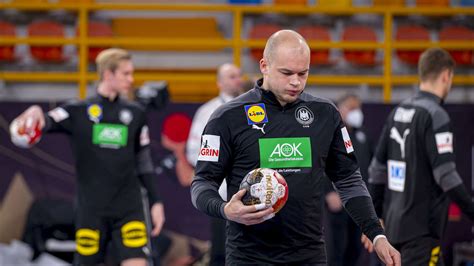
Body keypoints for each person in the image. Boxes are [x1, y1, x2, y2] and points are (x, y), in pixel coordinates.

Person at [190, 29, 400, 265]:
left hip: (309, 256)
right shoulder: (227, 117)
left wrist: (377, 233)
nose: (296, 81)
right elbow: (202, 183)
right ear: (264, 65)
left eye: (303, 73)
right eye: (287, 72)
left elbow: (349, 181)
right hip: (249, 257)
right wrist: (225, 209)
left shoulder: (325, 114)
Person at [10, 48, 165, 266]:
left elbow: (143, 162)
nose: (131, 79)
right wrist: (36, 112)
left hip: (129, 207)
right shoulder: (78, 111)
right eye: (126, 74)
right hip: (91, 208)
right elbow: (46, 121)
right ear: (108, 74)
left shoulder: (135, 113)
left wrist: (156, 202)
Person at [366, 47, 474, 265]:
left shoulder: (398, 111)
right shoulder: (436, 115)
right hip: (422, 232)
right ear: (446, 75)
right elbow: (447, 176)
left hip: (392, 233)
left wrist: (374, 219)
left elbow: (377, 171)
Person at [186, 63, 243, 266]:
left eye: (239, 76)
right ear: (219, 82)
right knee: (221, 249)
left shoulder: (254, 108)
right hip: (222, 192)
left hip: (251, 190)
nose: (238, 80)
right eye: (231, 76)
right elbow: (194, 150)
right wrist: (219, 168)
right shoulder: (208, 111)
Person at [324, 93, 374, 266]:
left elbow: (372, 166)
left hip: (359, 200)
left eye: (358, 108)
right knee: (336, 248)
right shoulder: (330, 134)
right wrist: (329, 192)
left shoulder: (363, 135)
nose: (357, 113)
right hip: (338, 201)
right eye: (352, 108)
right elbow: (319, 165)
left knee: (355, 248)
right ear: (341, 110)